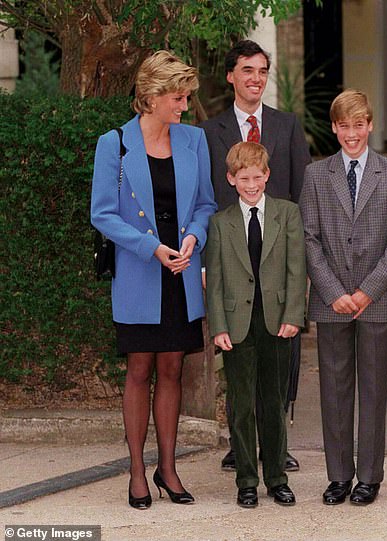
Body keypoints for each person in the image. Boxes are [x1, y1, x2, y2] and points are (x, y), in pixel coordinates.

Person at [91, 50, 217, 509]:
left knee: (172, 368)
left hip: (180, 272)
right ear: (153, 96)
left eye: (185, 98)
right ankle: (136, 471)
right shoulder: (115, 144)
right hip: (140, 271)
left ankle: (168, 468)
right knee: (139, 369)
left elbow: (205, 203)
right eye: (178, 98)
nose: (184, 106)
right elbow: (102, 213)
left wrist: (192, 239)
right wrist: (152, 248)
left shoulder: (194, 141)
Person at [199, 39, 311, 473]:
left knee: (281, 358)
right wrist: (209, 261)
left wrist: (301, 268)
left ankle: (277, 445)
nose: (256, 79)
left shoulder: (287, 126)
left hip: (279, 257)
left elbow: (302, 194)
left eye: (263, 71)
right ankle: (240, 447)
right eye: (247, 70)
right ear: (231, 76)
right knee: (241, 358)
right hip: (233, 256)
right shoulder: (210, 133)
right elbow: (206, 199)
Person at [299, 89, 387, 506]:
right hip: (331, 302)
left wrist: (367, 291)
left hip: (376, 300)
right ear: (334, 127)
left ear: (370, 125)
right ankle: (338, 475)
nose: (352, 133)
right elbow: (308, 239)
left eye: (359, 125)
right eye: (344, 126)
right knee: (333, 389)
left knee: (373, 389)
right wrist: (333, 292)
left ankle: (369, 475)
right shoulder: (316, 175)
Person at [206, 141, 306, 508]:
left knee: (273, 402)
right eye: (244, 178)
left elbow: (298, 269)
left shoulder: (287, 214)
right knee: (241, 403)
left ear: (267, 175)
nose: (251, 184)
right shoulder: (220, 223)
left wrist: (295, 315)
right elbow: (214, 280)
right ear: (232, 179)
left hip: (277, 321)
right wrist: (218, 325)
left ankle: (277, 477)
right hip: (236, 325)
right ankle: (246, 479)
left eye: (257, 176)